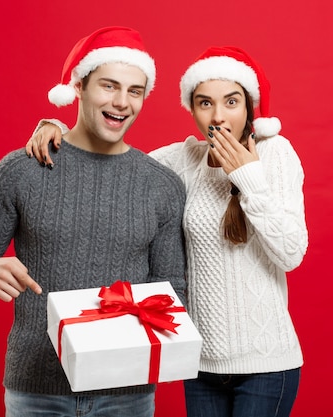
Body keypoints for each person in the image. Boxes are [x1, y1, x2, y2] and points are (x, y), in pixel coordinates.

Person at [27, 46, 308, 417]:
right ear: (191, 109)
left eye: (231, 102)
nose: (219, 116)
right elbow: (112, 158)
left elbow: (291, 252)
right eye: (205, 103)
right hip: (200, 363)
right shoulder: (180, 160)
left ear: (249, 107)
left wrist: (246, 175)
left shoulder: (275, 154)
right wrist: (59, 129)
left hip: (266, 363)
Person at [0, 26, 186, 417]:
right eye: (109, 86)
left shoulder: (160, 185)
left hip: (126, 394)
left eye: (135, 91)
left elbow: (175, 288)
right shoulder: (22, 170)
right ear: (79, 85)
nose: (122, 102)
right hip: (36, 390)